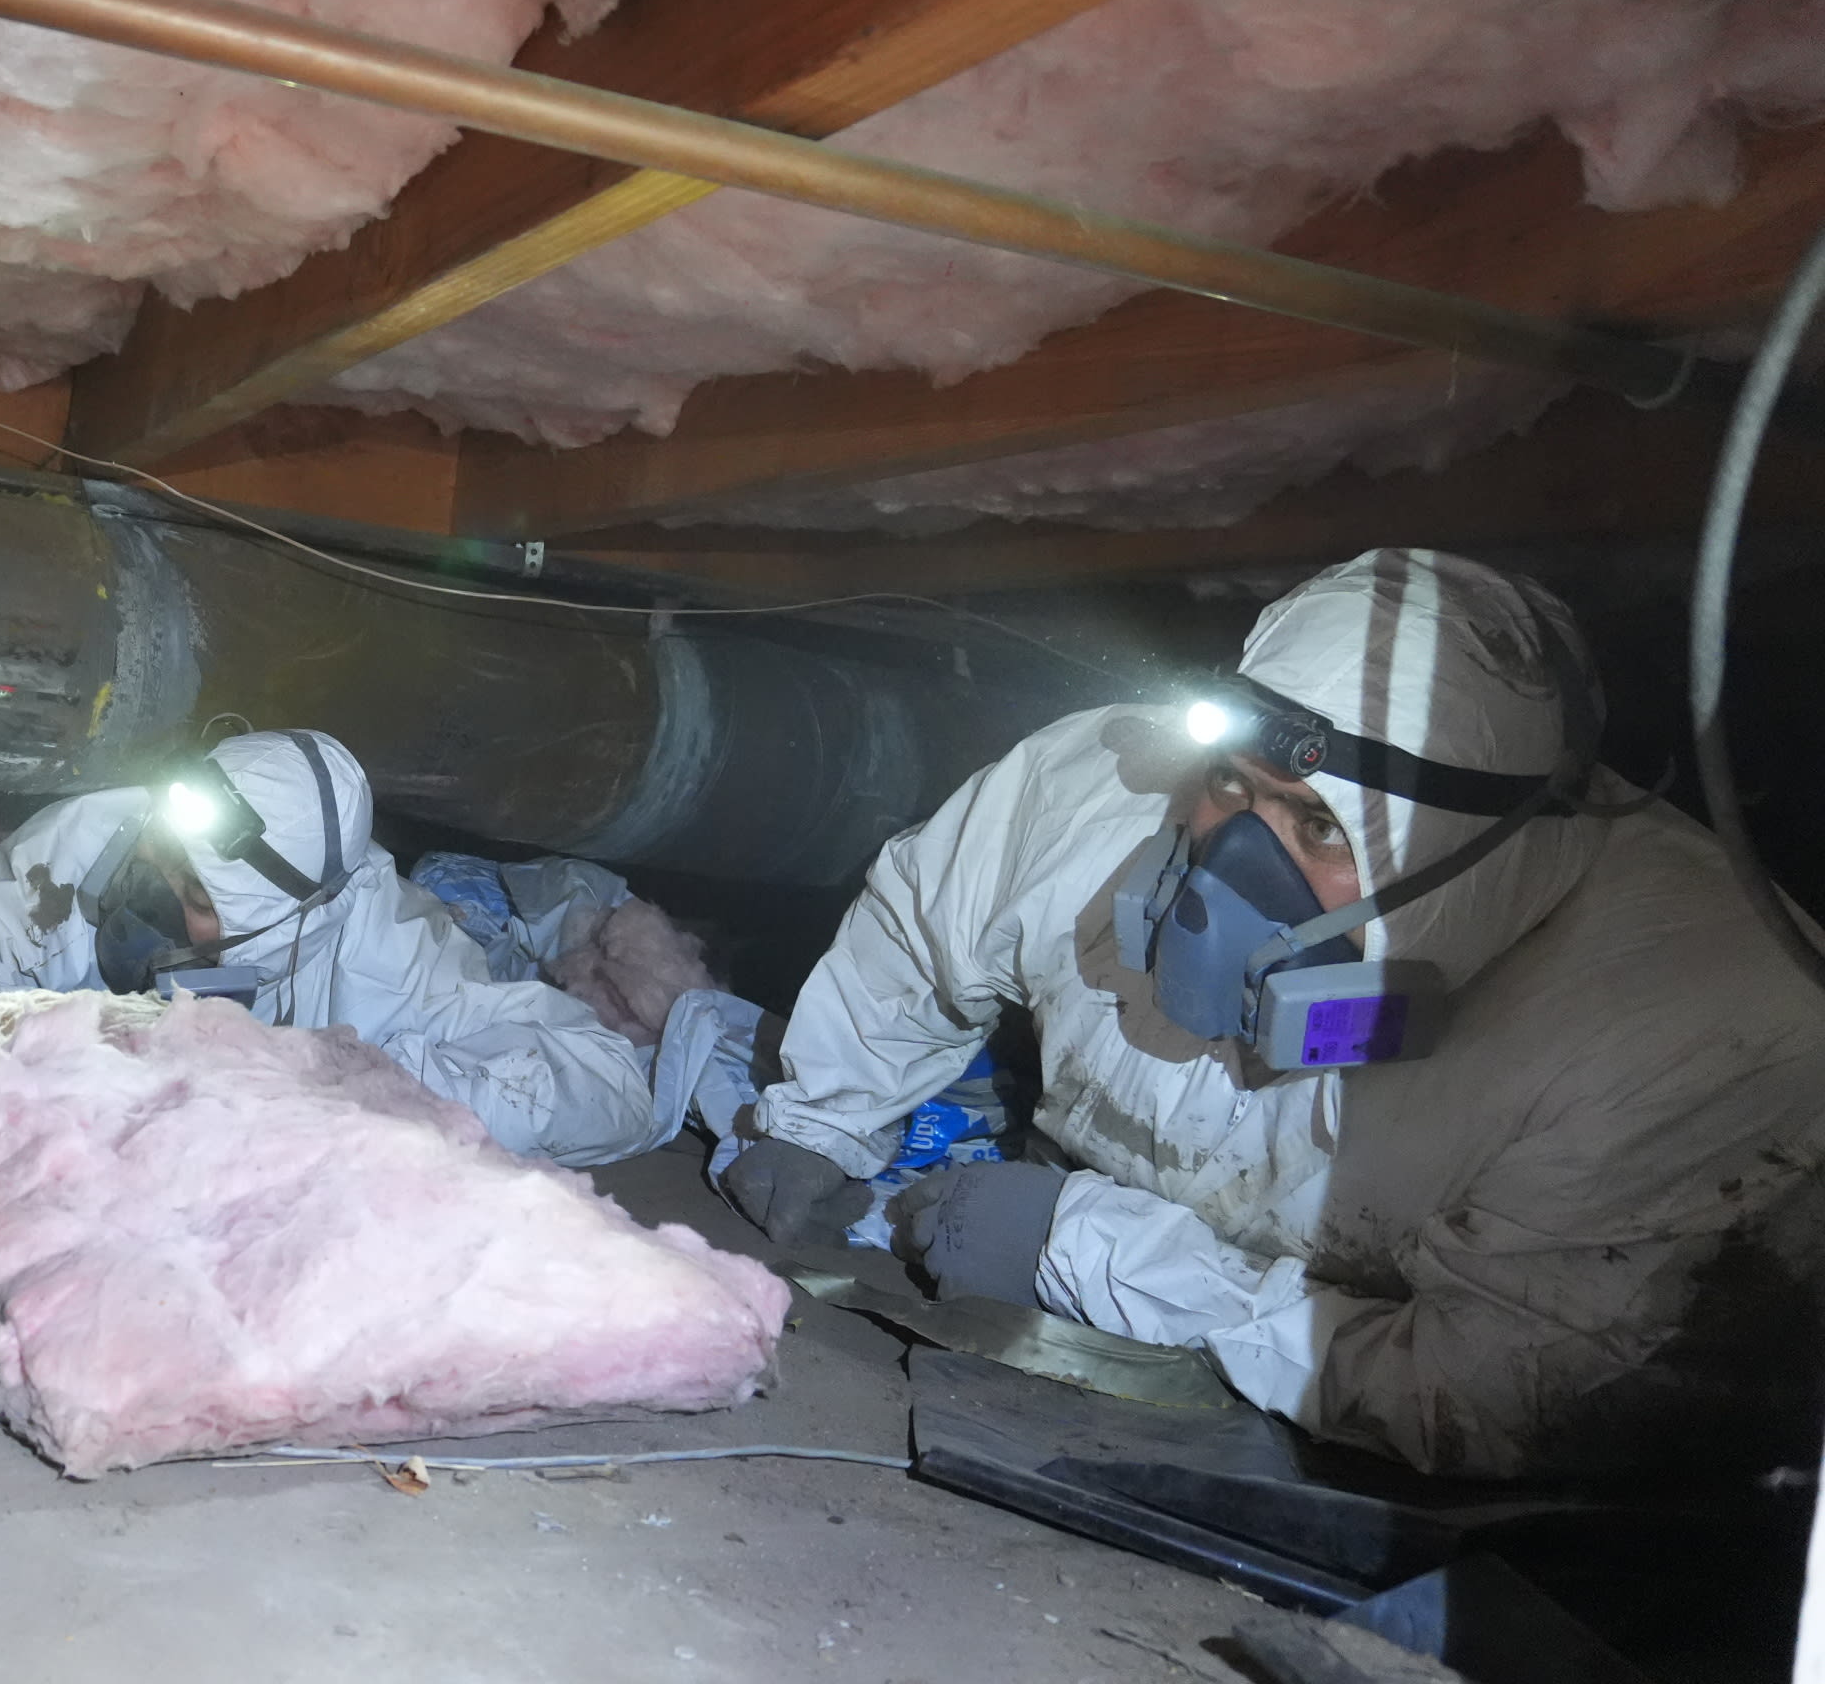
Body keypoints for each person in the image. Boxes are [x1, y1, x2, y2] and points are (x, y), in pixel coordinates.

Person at [722, 549, 1825, 1479]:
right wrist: (824, 1110)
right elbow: (923, 929)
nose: (1233, 856)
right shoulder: (1093, 794)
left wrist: (1099, 1250)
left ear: (1471, 869)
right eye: (1234, 787)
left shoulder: (1703, 1029)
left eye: (1321, 829)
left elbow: (1494, 1392)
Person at [0, 728, 723, 1167]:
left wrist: (343, 1078)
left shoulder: (386, 944)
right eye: (163, 860)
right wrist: (77, 1044)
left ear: (293, 922)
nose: (158, 893)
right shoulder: (86, 841)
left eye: (199, 899)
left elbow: (608, 1084)